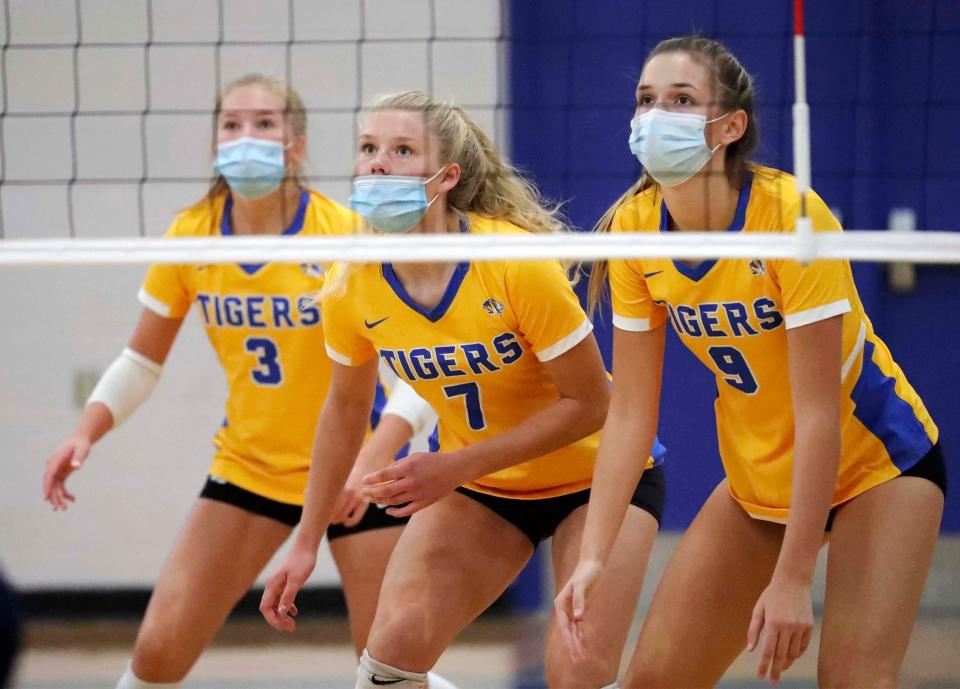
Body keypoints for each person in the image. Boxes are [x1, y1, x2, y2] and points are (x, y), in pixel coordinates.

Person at [555, 35, 946, 689]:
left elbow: (819, 411)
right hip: (759, 481)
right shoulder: (632, 228)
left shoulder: (791, 217)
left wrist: (794, 579)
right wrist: (592, 554)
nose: (656, 116)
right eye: (645, 100)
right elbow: (629, 412)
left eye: (681, 100)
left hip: (876, 462)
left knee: (852, 680)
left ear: (729, 126)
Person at [41, 73, 452, 689]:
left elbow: (427, 367)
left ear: (296, 142)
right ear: (214, 140)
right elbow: (141, 361)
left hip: (355, 471)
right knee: (156, 654)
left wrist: (373, 456)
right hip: (251, 469)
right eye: (231, 124)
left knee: (389, 671)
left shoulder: (347, 231)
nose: (246, 137)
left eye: (264, 123)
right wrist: (85, 432)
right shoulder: (193, 234)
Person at [259, 90, 667, 689]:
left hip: (598, 475)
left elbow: (592, 404)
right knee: (388, 659)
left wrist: (452, 466)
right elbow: (344, 413)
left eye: (402, 150)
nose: (377, 163)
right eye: (368, 148)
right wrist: (306, 540)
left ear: (447, 176)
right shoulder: (351, 285)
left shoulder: (512, 261)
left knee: (577, 670)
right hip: (485, 490)